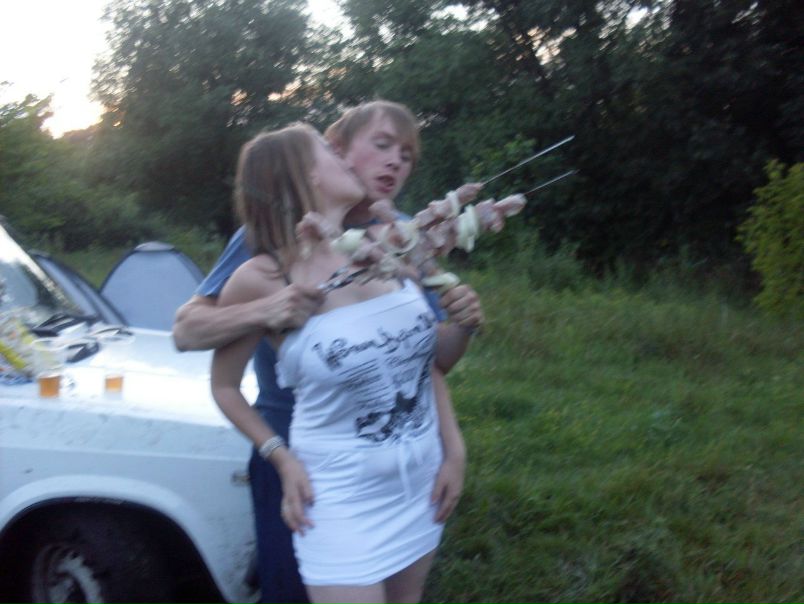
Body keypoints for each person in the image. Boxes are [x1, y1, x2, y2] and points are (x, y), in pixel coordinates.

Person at [172, 101, 482, 604]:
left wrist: (455, 447)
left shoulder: (395, 238)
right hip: (314, 462)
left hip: (411, 474)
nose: (396, 162)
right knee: (289, 591)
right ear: (331, 157)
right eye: (382, 145)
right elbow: (190, 334)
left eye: (407, 154)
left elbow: (425, 363)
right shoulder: (261, 253)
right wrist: (267, 311)